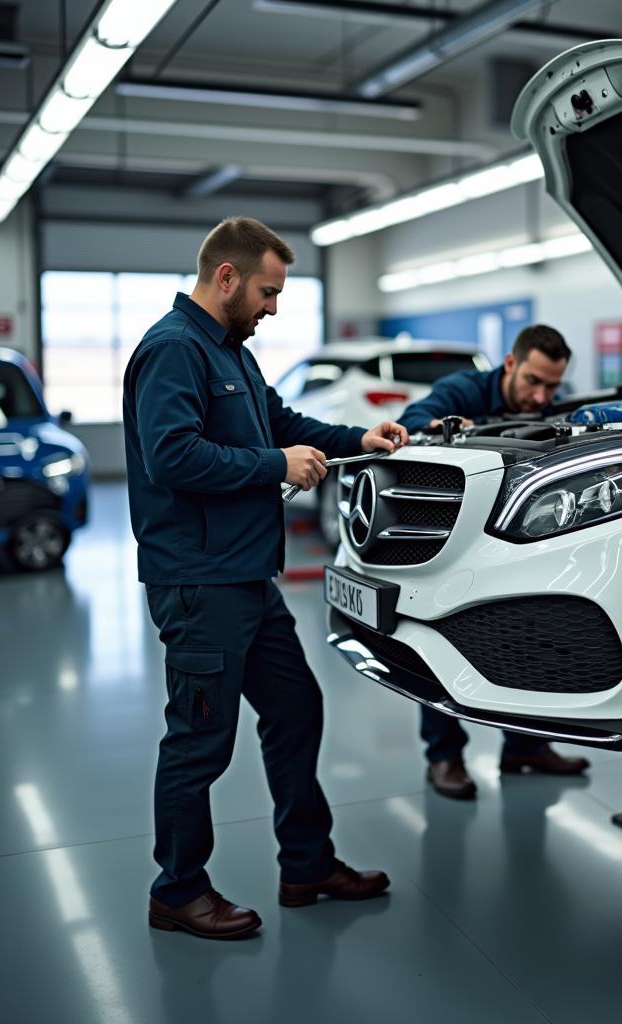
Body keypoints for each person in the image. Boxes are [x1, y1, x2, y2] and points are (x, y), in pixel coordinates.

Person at [123, 216, 408, 940]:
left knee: (296, 709)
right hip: (199, 581)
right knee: (199, 741)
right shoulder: (172, 350)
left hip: (247, 576)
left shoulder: (231, 350)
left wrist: (357, 440)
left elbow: (280, 421)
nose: (272, 308)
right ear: (226, 277)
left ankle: (306, 863)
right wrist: (275, 467)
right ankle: (177, 890)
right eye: (267, 292)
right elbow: (172, 457)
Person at [398, 325, 590, 800]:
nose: (541, 396)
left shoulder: (552, 404)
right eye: (533, 381)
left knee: (534, 634)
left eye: (551, 385)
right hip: (455, 542)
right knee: (439, 641)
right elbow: (413, 420)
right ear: (510, 364)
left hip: (516, 540)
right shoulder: (463, 391)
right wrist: (453, 427)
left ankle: (526, 748)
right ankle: (443, 758)